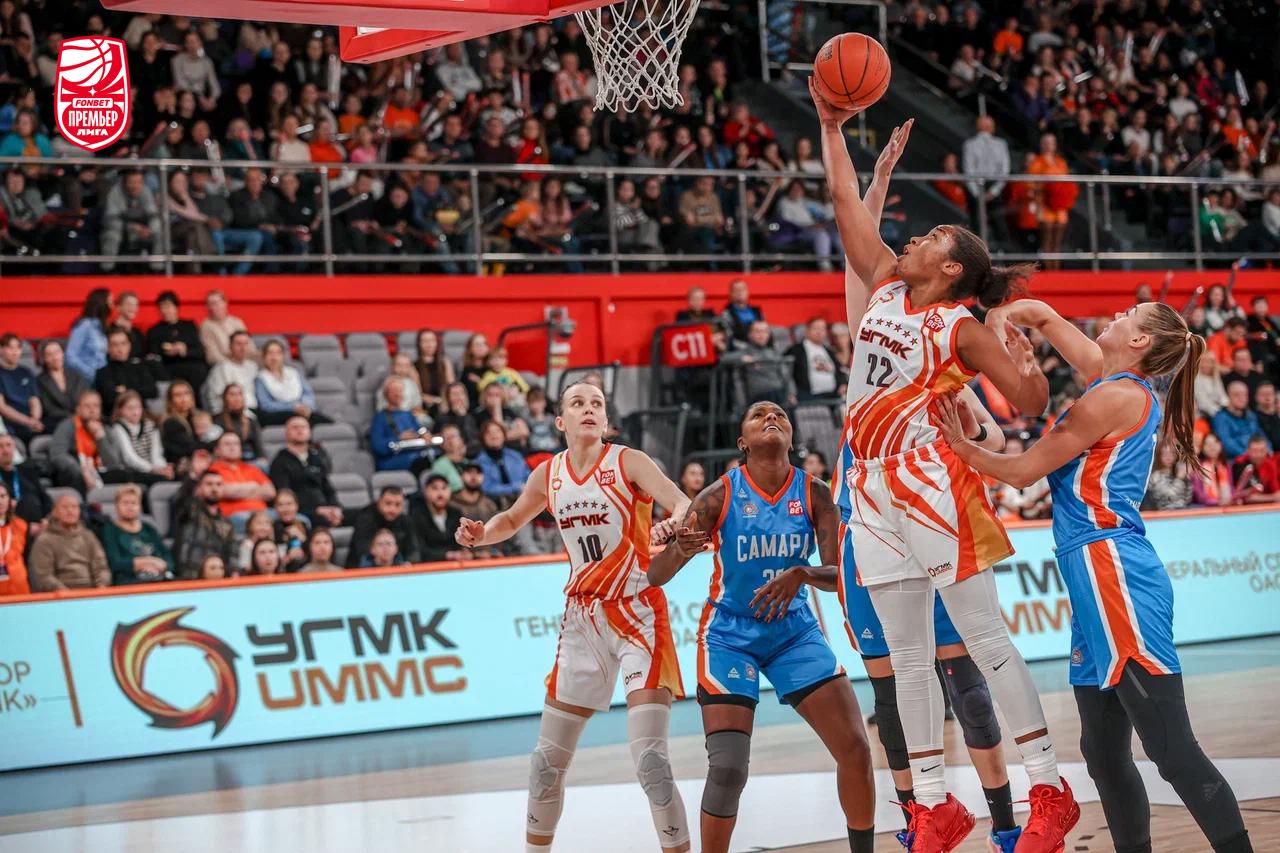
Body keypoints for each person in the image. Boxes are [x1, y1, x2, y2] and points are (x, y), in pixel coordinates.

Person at [814, 83, 1076, 851]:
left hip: (929, 482)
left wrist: (1026, 358)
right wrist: (831, 126)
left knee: (985, 639)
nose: (917, 238)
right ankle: (933, 805)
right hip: (867, 486)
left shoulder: (961, 326)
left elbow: (1028, 401)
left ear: (953, 266)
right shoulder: (886, 282)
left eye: (933, 236)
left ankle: (1049, 788)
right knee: (906, 658)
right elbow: (844, 201)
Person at [944, 297, 1254, 853]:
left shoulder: (1113, 395)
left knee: (1170, 747)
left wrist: (960, 446)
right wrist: (1004, 326)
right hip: (1090, 568)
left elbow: (1022, 471)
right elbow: (1041, 314)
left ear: (1140, 341)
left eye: (1130, 314)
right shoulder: (1112, 379)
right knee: (1103, 752)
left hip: (1112, 568)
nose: (1116, 315)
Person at [455, 382, 694, 853]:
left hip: (638, 615)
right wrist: (481, 535)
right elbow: (511, 520)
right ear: (560, 421)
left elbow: (683, 502)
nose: (589, 409)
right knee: (545, 765)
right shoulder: (549, 474)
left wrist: (673, 522)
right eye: (578, 403)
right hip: (582, 621)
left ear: (606, 421)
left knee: (651, 762)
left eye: (597, 404)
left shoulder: (628, 462)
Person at [648, 402, 875, 853]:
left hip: (794, 632)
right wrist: (680, 549)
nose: (771, 418)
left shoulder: (816, 493)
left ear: (791, 437)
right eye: (758, 415)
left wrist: (803, 573)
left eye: (780, 415)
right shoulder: (717, 496)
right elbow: (657, 575)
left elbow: (840, 575)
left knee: (855, 747)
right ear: (742, 442)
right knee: (729, 767)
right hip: (730, 634)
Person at [268, 415, 343, 527]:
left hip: (325, 509)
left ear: (310, 432)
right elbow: (285, 495)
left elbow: (327, 487)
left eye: (303, 427)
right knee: (322, 521)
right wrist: (317, 510)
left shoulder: (316, 457)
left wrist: (335, 508)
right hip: (302, 511)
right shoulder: (280, 461)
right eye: (295, 427)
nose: (300, 430)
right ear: (286, 433)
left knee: (360, 516)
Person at [29, 494, 110, 591]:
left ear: (79, 511)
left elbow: (101, 567)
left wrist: (101, 587)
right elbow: (44, 576)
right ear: (54, 512)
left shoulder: (88, 536)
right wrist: (66, 594)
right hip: (61, 594)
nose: (70, 511)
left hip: (92, 591)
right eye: (64, 507)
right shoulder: (44, 540)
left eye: (74, 507)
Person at [49, 390, 125, 492]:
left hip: (100, 473)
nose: (92, 410)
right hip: (75, 474)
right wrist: (83, 471)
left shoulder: (106, 430)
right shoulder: (67, 426)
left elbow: (113, 465)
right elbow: (58, 455)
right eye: (87, 406)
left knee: (125, 477)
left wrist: (100, 438)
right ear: (78, 409)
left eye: (96, 406)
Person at [172, 469, 238, 579]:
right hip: (189, 578)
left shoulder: (226, 523)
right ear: (199, 488)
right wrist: (193, 476)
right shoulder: (191, 512)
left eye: (218, 484)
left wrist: (234, 572)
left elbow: (232, 552)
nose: (214, 488)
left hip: (217, 579)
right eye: (209, 484)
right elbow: (181, 499)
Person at [102, 484, 173, 585]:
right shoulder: (109, 530)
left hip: (159, 578)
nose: (130, 507)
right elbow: (114, 562)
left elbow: (168, 558)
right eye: (125, 503)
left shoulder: (149, 528)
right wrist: (146, 562)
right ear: (116, 506)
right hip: (128, 582)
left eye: (134, 503)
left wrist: (162, 566)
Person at [207, 432, 275, 529]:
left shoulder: (252, 468)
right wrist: (253, 486)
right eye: (227, 444)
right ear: (217, 450)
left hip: (262, 512)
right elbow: (224, 491)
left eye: (236, 444)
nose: (232, 447)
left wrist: (237, 494)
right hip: (235, 515)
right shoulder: (213, 470)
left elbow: (270, 492)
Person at [145, 291, 208, 392]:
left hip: (190, 365)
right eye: (161, 307)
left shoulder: (189, 326)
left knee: (199, 370)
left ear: (176, 307)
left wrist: (184, 350)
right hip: (168, 367)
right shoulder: (154, 330)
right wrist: (166, 352)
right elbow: (152, 354)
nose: (165, 311)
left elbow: (200, 351)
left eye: (168, 306)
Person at [109, 390, 173, 485]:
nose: (135, 412)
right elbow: (129, 458)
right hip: (130, 472)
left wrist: (162, 468)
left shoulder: (150, 425)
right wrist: (152, 469)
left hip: (151, 470)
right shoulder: (118, 428)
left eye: (138, 407)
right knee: (160, 480)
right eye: (130, 408)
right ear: (120, 410)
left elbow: (156, 453)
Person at [346, 486, 421, 568]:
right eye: (388, 503)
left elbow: (414, 550)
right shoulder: (365, 519)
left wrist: (409, 563)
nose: (392, 509)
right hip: (363, 569)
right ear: (379, 502)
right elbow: (362, 553)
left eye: (398, 505)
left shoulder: (406, 521)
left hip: (398, 568)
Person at [93, 326, 158, 413]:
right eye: (115, 345)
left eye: (123, 344)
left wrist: (126, 389)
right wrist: (137, 389)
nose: (120, 349)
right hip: (114, 416)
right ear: (108, 348)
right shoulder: (102, 372)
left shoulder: (140, 368)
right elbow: (109, 398)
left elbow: (152, 391)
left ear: (129, 346)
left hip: (141, 414)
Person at [370, 378, 428, 472]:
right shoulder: (380, 418)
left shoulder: (408, 415)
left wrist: (424, 434)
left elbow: (418, 430)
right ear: (386, 395)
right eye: (394, 391)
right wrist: (399, 438)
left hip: (415, 455)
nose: (398, 394)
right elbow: (378, 446)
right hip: (394, 459)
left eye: (400, 391)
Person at [413, 472, 470, 562]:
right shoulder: (416, 516)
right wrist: (447, 555)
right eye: (435, 488)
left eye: (444, 488)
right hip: (429, 565)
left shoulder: (456, 513)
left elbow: (461, 543)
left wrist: (466, 551)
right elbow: (419, 550)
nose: (440, 493)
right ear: (426, 491)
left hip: (456, 564)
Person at [786, 317, 845, 401]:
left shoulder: (829, 351)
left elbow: (840, 370)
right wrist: (791, 392)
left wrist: (842, 383)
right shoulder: (796, 350)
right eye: (816, 328)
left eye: (823, 329)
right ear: (807, 331)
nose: (819, 332)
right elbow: (785, 372)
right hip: (808, 397)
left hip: (833, 396)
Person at [36, 340, 89, 433]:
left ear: (63, 354)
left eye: (57, 352)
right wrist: (73, 417)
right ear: (44, 358)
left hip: (81, 417)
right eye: (49, 354)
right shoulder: (39, 381)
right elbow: (49, 409)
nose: (55, 357)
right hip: (56, 422)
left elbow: (84, 398)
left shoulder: (77, 376)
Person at [0, 432, 49, 529]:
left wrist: (45, 519)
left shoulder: (28, 470)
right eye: (0, 446)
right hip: (11, 527)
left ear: (14, 448)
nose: (6, 450)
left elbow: (44, 498)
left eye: (8, 445)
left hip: (39, 526)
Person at [0, 332, 41, 443]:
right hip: (10, 423)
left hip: (31, 421)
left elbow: (34, 399)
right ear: (1, 350)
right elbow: (2, 408)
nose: (15, 352)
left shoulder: (26, 372)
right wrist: (28, 421)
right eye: (10, 348)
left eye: (18, 348)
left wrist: (35, 419)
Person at [205, 332, 260, 414]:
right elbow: (217, 397)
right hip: (229, 412)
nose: (243, 348)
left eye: (246, 343)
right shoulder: (221, 368)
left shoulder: (253, 366)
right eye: (238, 344)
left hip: (253, 408)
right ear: (230, 346)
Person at [66, 288, 112, 383]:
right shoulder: (84, 325)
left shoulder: (101, 326)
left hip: (101, 379)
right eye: (110, 302)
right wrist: (90, 372)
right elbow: (70, 356)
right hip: (85, 380)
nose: (112, 306)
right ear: (102, 303)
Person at [1212, 381, 1267, 459]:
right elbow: (1226, 444)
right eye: (1237, 395)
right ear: (1228, 396)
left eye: (1245, 395)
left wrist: (1268, 451)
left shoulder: (1251, 415)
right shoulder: (1220, 418)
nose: (1242, 398)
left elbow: (1261, 435)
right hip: (1236, 460)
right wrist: (1249, 455)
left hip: (1257, 456)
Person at [200, 291, 253, 365]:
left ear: (225, 303)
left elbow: (250, 347)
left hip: (245, 362)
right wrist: (233, 365)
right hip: (222, 365)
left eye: (217, 303)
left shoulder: (237, 322)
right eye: (210, 304)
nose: (213, 307)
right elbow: (212, 356)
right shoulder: (206, 326)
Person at [0, 479, 30, 596]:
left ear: (9, 500)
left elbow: (27, 556)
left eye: (3, 496)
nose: (0, 501)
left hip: (19, 589)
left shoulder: (21, 525)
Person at [414, 328, 456, 412]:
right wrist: (436, 400)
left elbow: (451, 387)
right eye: (425, 341)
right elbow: (418, 395)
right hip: (426, 407)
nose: (429, 344)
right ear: (419, 344)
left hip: (445, 405)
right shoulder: (414, 366)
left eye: (432, 341)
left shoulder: (445, 362)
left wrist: (444, 401)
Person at [1231, 434, 1280, 504]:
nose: (1259, 454)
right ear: (1248, 451)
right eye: (1255, 451)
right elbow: (1248, 498)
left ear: (1267, 450)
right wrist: (1273, 497)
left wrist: (1275, 496)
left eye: (1262, 450)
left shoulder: (1271, 463)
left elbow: (1276, 491)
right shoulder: (1240, 464)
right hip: (1247, 508)